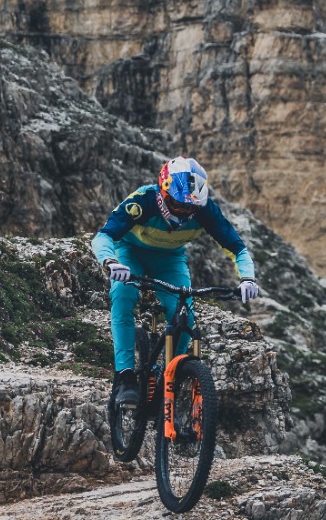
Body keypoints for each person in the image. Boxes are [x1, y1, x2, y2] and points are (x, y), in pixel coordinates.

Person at [91, 156, 260, 406]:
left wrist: (247, 278)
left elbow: (238, 249)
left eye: (189, 208)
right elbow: (103, 236)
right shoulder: (142, 201)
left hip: (170, 260)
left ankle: (169, 373)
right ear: (162, 191)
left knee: (185, 317)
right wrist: (111, 262)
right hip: (130, 252)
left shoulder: (206, 211)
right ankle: (125, 375)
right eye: (176, 204)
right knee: (123, 296)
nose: (182, 212)